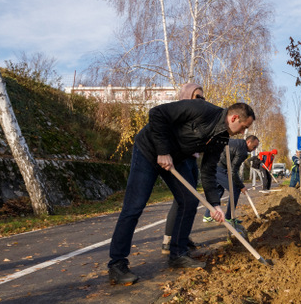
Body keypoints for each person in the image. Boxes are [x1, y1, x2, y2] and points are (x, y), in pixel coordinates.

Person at [107, 101, 255, 285]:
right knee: (134, 206)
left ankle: (178, 254)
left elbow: (208, 170)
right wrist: (162, 151)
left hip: (176, 159)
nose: (242, 132)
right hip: (149, 150)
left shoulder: (222, 138)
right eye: (244, 127)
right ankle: (117, 264)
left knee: (189, 200)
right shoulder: (202, 110)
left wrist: (215, 204)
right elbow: (157, 113)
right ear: (234, 118)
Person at [162, 83, 206, 255]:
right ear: (187, 96)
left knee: (189, 200)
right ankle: (168, 240)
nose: (201, 100)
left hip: (192, 159)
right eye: (198, 97)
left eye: (203, 97)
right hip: (180, 159)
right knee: (182, 200)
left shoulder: (197, 116)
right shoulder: (178, 113)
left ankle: (182, 236)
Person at [202, 135, 260, 224]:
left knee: (219, 190)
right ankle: (229, 217)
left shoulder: (238, 142)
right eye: (254, 146)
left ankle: (207, 216)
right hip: (219, 168)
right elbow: (233, 171)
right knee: (235, 190)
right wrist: (241, 186)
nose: (254, 149)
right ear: (248, 142)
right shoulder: (243, 151)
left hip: (214, 165)